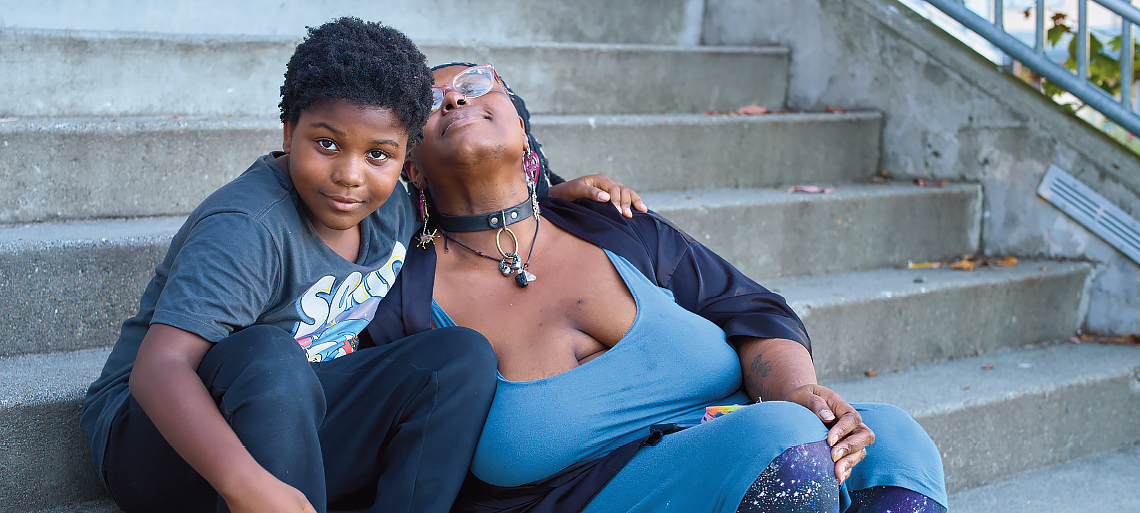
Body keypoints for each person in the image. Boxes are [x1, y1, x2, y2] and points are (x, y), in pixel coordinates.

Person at [80, 21, 641, 513]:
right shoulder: (250, 226)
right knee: (265, 353)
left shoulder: (394, 205)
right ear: (287, 133)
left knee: (458, 355)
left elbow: (479, 190)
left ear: (406, 159)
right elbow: (161, 369)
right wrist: (247, 485)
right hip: (163, 442)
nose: (350, 175)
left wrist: (551, 191)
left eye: (378, 154)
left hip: (294, 419)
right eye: (326, 143)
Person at [366, 62, 949, 513]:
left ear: (522, 128)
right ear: (407, 165)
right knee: (789, 446)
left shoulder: (613, 224)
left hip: (734, 432)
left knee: (893, 440)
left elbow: (748, 308)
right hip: (581, 494)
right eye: (430, 101)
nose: (457, 97)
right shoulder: (398, 297)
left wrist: (799, 391)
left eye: (476, 83)